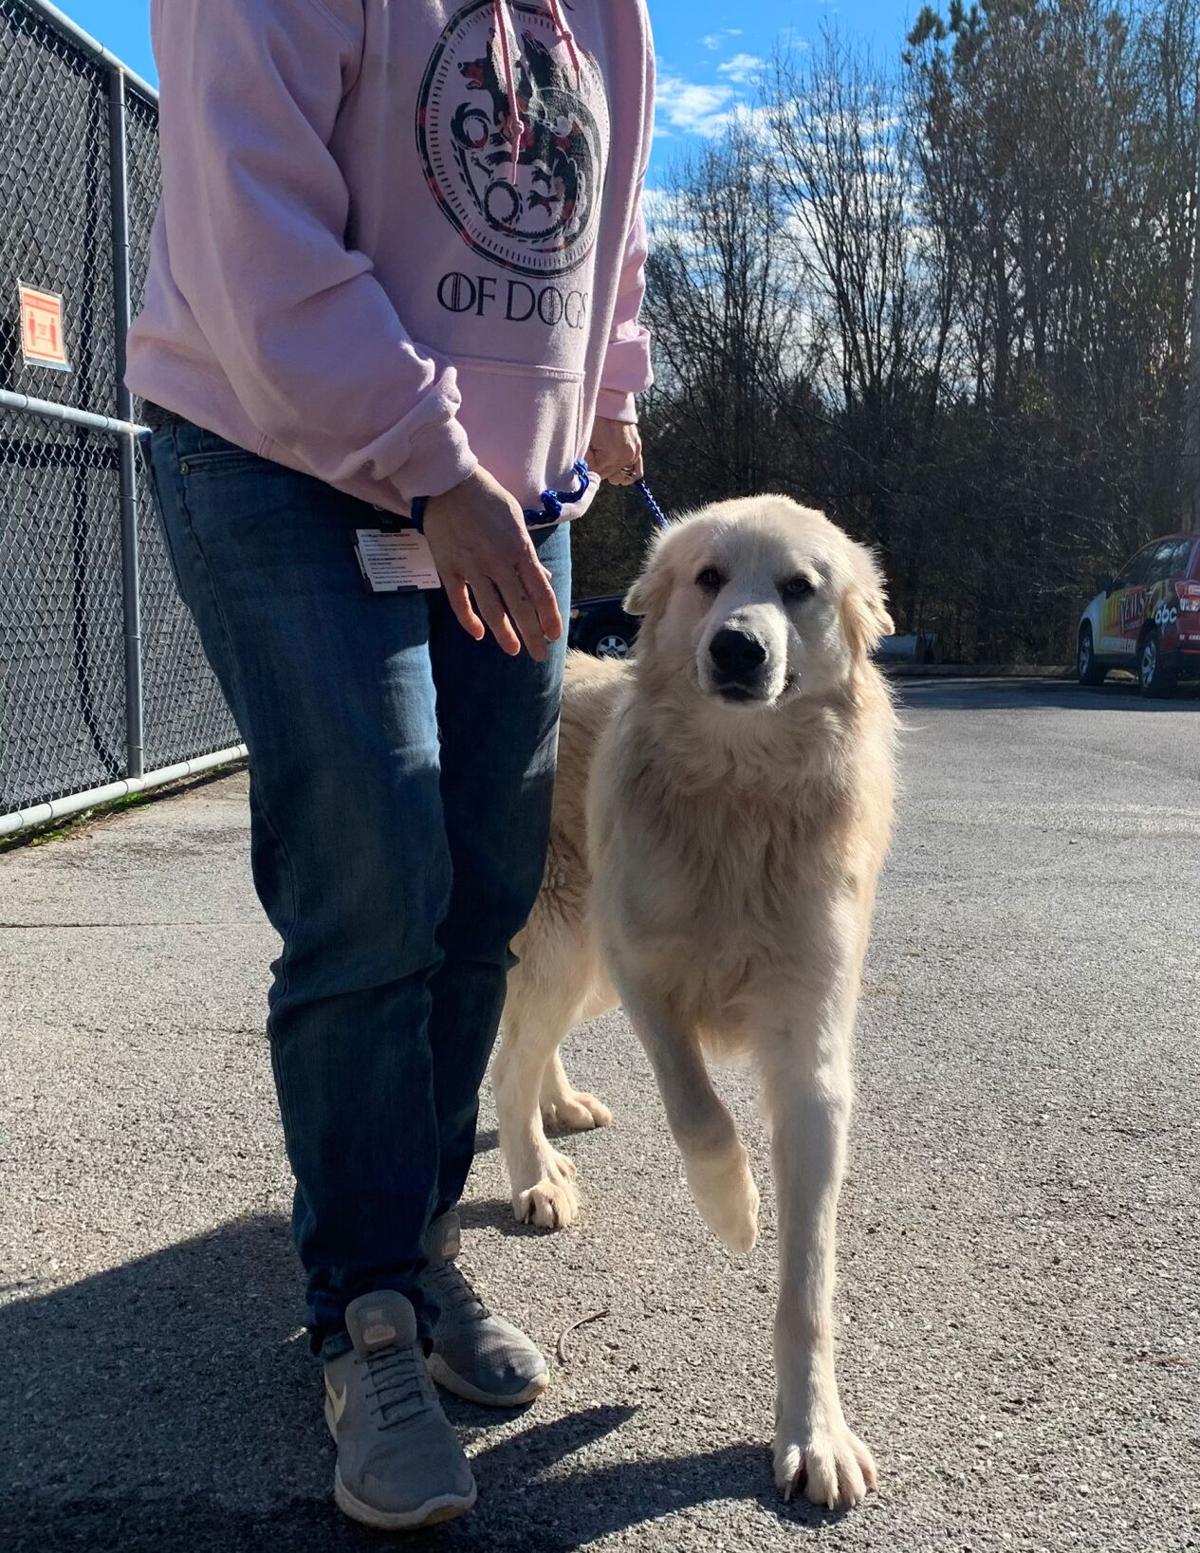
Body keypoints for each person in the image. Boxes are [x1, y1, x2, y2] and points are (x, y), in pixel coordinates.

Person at [126, 0, 654, 1530]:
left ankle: (416, 1242)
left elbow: (604, 204)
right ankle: (363, 1309)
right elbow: (254, 231)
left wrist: (605, 385)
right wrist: (434, 463)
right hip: (277, 444)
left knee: (490, 870)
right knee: (375, 863)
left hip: (513, 482)